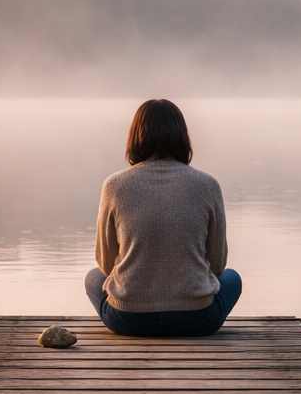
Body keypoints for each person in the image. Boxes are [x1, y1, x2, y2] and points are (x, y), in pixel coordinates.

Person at [85, 99, 242, 337]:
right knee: (233, 278)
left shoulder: (114, 186)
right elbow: (218, 265)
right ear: (182, 137)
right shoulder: (208, 185)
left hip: (129, 320)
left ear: (135, 137)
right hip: (197, 319)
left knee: (93, 277)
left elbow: (106, 265)